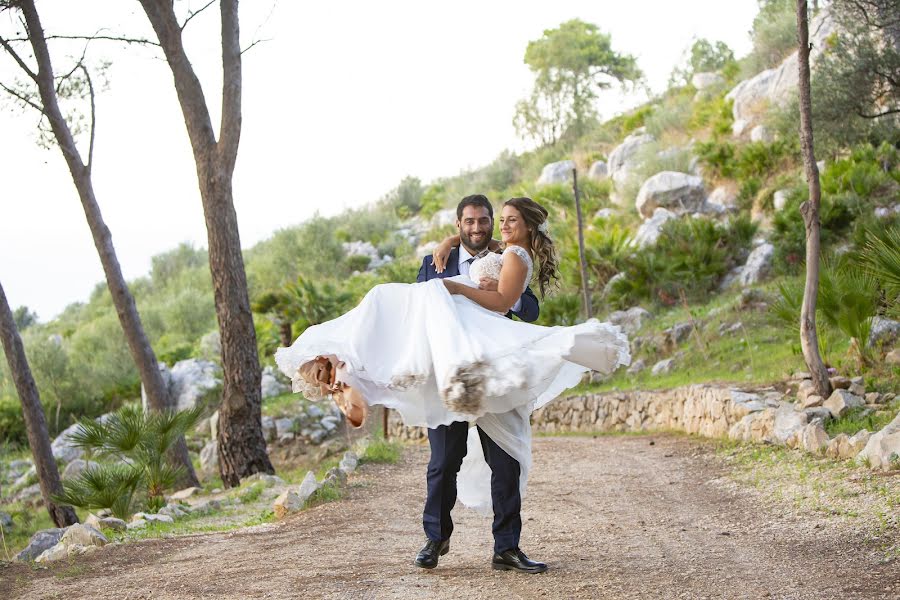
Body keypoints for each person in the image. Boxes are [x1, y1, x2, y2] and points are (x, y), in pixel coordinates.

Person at [274, 195, 630, 575]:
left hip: (488, 363)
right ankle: (435, 537)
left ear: (494, 223)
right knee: (443, 461)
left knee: (506, 460)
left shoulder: (507, 252)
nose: (479, 227)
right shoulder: (436, 262)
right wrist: (448, 250)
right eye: (469, 222)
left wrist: (469, 287)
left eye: (487, 221)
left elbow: (522, 305)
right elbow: (413, 322)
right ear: (458, 225)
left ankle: (507, 548)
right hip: (443, 373)